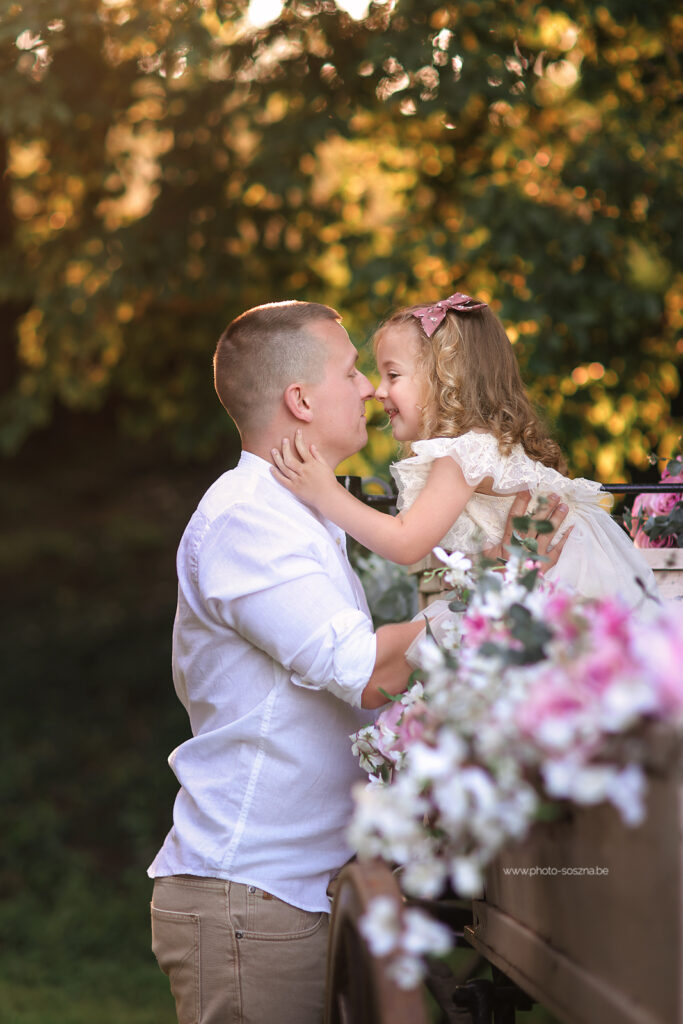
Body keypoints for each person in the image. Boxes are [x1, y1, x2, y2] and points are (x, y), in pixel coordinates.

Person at [148, 299, 568, 1024]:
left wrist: (491, 594)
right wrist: (503, 594)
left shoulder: (299, 514)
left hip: (293, 890)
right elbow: (366, 672)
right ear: (300, 400)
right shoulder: (249, 519)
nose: (371, 389)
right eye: (352, 371)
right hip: (252, 895)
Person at [271, 291, 659, 610]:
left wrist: (326, 492)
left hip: (570, 579)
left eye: (393, 374)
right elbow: (484, 554)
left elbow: (406, 543)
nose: (379, 390)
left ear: (444, 380)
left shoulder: (461, 456)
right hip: (565, 573)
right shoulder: (475, 448)